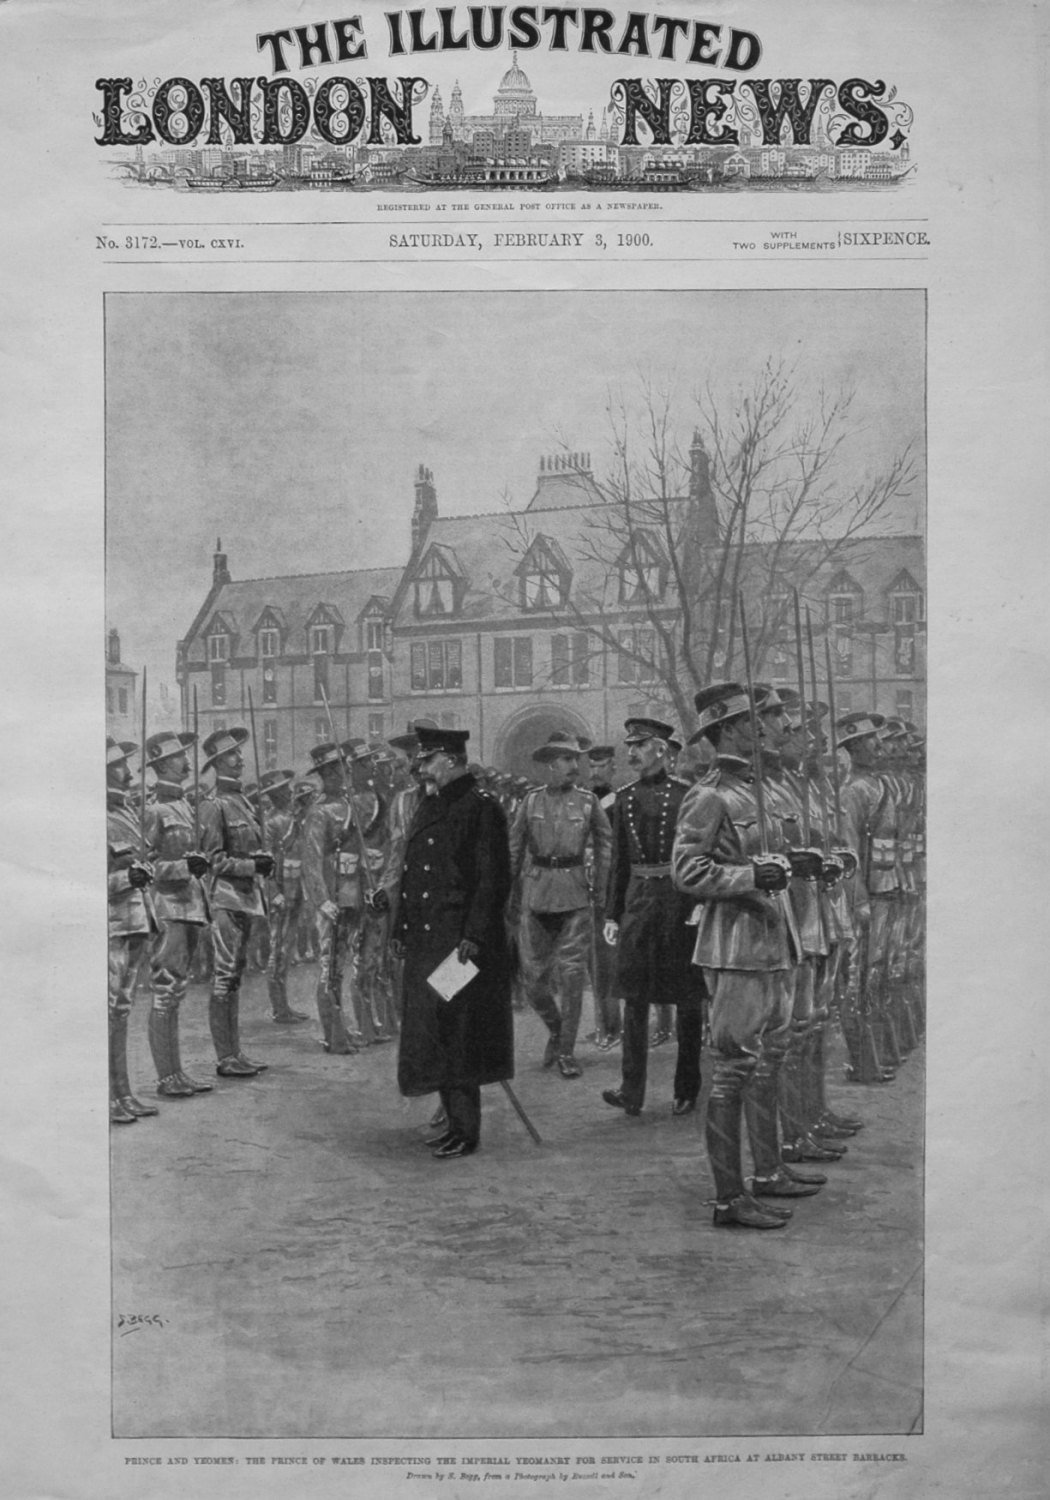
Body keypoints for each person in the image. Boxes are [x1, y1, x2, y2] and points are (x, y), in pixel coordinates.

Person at [672, 684, 812, 1229]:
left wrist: (800, 862)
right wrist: (750, 875)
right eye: (752, 722)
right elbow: (688, 871)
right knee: (732, 1070)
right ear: (726, 731)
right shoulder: (711, 795)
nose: (764, 729)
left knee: (765, 1061)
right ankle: (729, 1198)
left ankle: (768, 1171)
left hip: (774, 939)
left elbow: (769, 858)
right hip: (734, 947)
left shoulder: (759, 791)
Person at [393, 725, 514, 1159]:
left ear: (449, 759)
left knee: (460, 1036)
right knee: (436, 1034)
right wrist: (401, 928)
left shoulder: (481, 808)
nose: (420, 768)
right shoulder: (432, 803)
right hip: (429, 938)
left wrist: (475, 936)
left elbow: (492, 881)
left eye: (427, 760)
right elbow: (412, 874)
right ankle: (452, 1123)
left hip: (460, 944)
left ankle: (466, 1130)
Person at [601, 718, 702, 1117]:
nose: (632, 753)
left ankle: (687, 1087)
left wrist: (699, 903)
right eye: (630, 745)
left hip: (680, 902)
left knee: (689, 999)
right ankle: (631, 1090)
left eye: (640, 745)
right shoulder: (623, 799)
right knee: (634, 1000)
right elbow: (618, 864)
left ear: (661, 749)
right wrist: (613, 913)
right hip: (640, 906)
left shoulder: (688, 796)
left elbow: (697, 857)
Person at [508, 733, 612, 1079]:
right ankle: (555, 1027)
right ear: (551, 765)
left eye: (576, 760)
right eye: (567, 760)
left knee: (570, 976)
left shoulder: (587, 802)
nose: (574, 766)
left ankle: (566, 1050)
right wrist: (506, 894)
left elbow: (606, 845)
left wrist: (602, 889)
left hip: (575, 894)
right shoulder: (531, 802)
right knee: (533, 979)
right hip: (536, 895)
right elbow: (513, 849)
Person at [199, 727, 275, 1079]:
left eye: (240, 753)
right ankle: (225, 1056)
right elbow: (212, 861)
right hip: (226, 899)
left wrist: (263, 863)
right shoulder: (214, 805)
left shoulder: (243, 801)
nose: (240, 758)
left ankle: (235, 1051)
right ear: (216, 762)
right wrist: (251, 865)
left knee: (235, 978)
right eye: (231, 755)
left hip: (246, 899)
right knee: (224, 977)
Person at [142, 729, 214, 1098]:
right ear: (161, 765)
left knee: (177, 992)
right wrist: (185, 868)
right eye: (178, 757)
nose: (187, 760)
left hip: (191, 906)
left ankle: (177, 1072)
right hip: (168, 907)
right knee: (165, 991)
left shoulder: (186, 807)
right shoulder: (154, 809)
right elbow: (145, 867)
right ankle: (166, 1077)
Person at [300, 741, 367, 1054]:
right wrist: (321, 901)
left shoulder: (350, 805)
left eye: (343, 768)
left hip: (350, 893)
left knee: (341, 965)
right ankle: (332, 1034)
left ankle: (341, 1028)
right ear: (324, 774)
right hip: (330, 895)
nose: (341, 774)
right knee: (328, 967)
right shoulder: (318, 812)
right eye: (333, 770)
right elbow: (311, 861)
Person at [106, 737, 158, 1124]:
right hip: (112, 925)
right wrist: (127, 877)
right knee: (108, 1010)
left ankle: (122, 1093)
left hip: (136, 921)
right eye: (121, 765)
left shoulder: (125, 813)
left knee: (122, 1010)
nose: (129, 771)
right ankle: (109, 1096)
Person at [259, 768, 310, 1024]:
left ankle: (285, 1005)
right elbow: (265, 862)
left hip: (297, 887)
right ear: (274, 795)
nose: (290, 793)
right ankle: (279, 1008)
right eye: (284, 790)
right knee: (278, 950)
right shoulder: (270, 821)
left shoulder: (293, 817)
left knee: (287, 950)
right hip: (281, 891)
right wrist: (273, 892)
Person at [584, 745, 622, 1049]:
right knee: (591, 962)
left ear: (613, 769)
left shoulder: (617, 804)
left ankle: (612, 1026)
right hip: (583, 888)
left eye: (602, 767)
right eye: (592, 767)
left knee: (607, 961)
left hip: (609, 889)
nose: (596, 773)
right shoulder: (583, 802)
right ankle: (602, 1024)